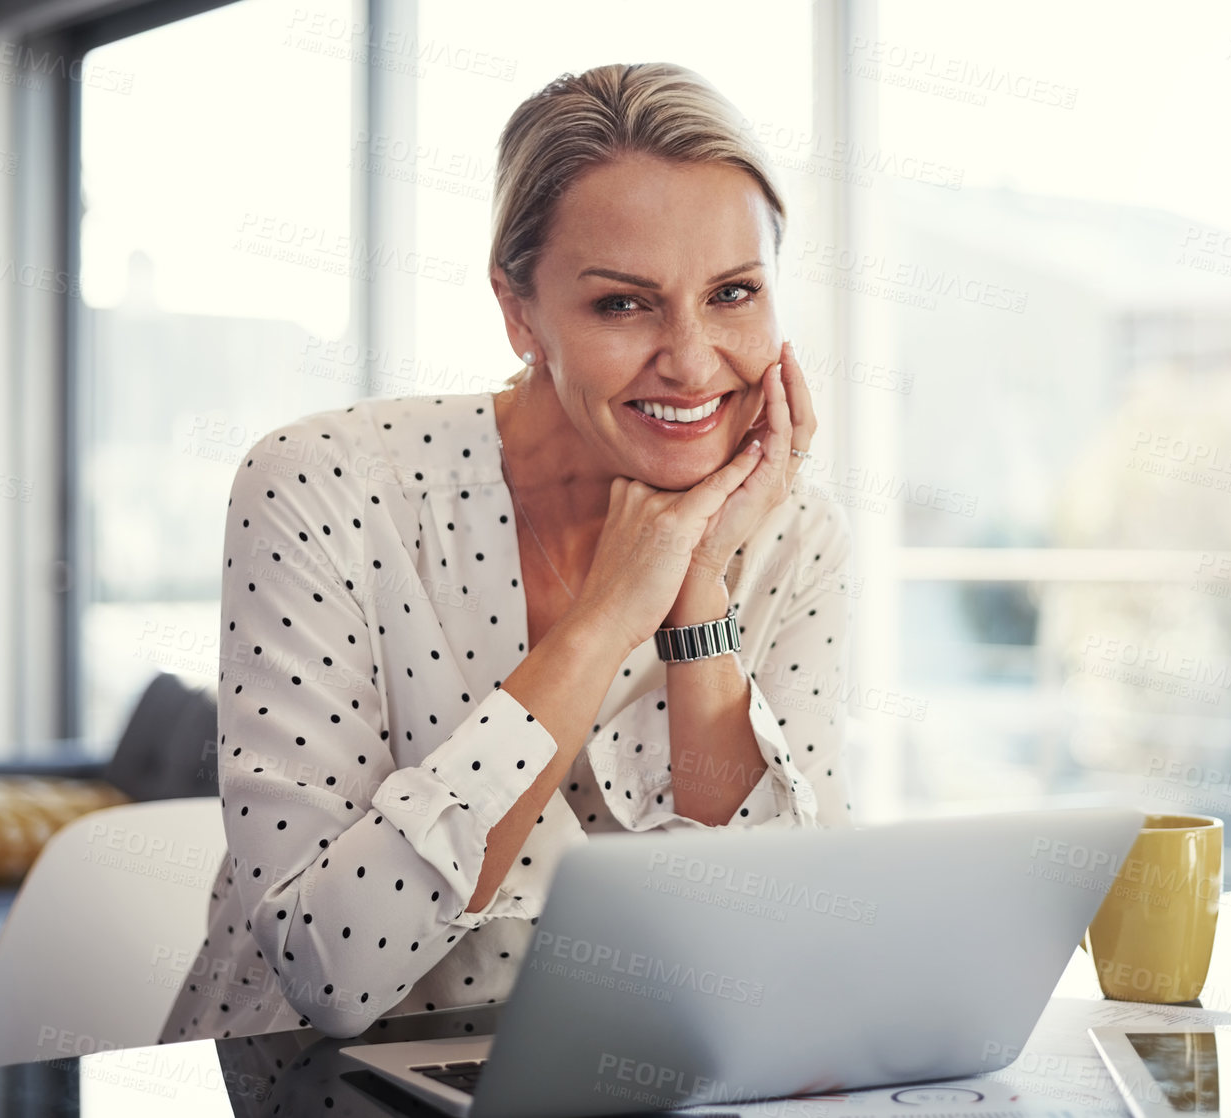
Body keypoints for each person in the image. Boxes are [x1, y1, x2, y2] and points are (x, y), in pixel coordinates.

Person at [157, 61, 855, 1045]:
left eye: (733, 293)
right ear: (518, 310)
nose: (693, 361)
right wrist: (609, 612)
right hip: (304, 1081)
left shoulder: (794, 533)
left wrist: (697, 599)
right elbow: (332, 968)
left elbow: (782, 950)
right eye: (623, 304)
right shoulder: (323, 486)